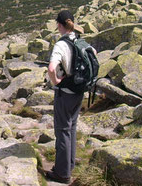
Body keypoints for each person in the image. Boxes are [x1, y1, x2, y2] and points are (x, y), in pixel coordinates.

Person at [46, 10, 92, 184]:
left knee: (63, 131)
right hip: (79, 92)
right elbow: (92, 52)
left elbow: (51, 68)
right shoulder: (79, 40)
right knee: (71, 128)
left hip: (65, 94)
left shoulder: (61, 44)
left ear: (59, 25)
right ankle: (69, 165)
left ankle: (63, 174)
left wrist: (56, 81)